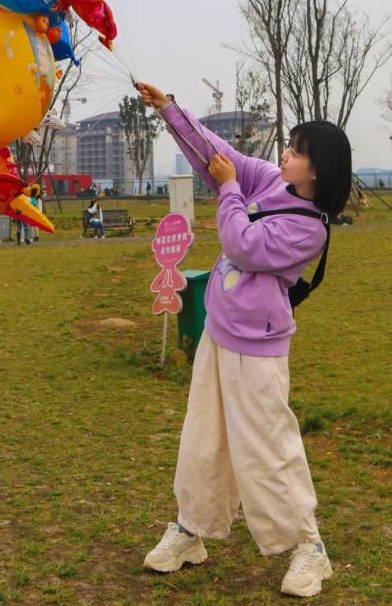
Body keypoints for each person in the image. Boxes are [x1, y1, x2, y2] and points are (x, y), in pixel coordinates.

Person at [137, 82, 352, 599]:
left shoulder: (311, 230)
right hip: (218, 332)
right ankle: (192, 530)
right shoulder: (271, 181)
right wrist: (171, 110)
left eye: (296, 151)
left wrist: (231, 190)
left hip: (257, 349)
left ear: (316, 170)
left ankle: (309, 547)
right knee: (203, 437)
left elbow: (242, 243)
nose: (285, 154)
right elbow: (219, 156)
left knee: (268, 448)